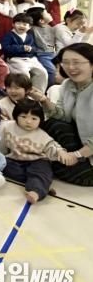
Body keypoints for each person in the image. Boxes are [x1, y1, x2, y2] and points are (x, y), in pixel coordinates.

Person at [34, 43, 93, 186]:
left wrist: (76, 155)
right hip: (80, 142)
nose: (70, 67)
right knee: (51, 124)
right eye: (65, 62)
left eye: (76, 62)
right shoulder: (68, 84)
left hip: (88, 150)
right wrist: (44, 100)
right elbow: (63, 117)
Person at [0, 99, 76, 203]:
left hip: (37, 161)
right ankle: (43, 184)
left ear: (40, 120)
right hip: (14, 160)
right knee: (0, 163)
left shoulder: (42, 135)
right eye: (23, 117)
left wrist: (62, 153)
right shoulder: (7, 126)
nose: (28, 121)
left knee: (41, 171)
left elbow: (53, 146)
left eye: (34, 118)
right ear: (16, 116)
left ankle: (36, 191)